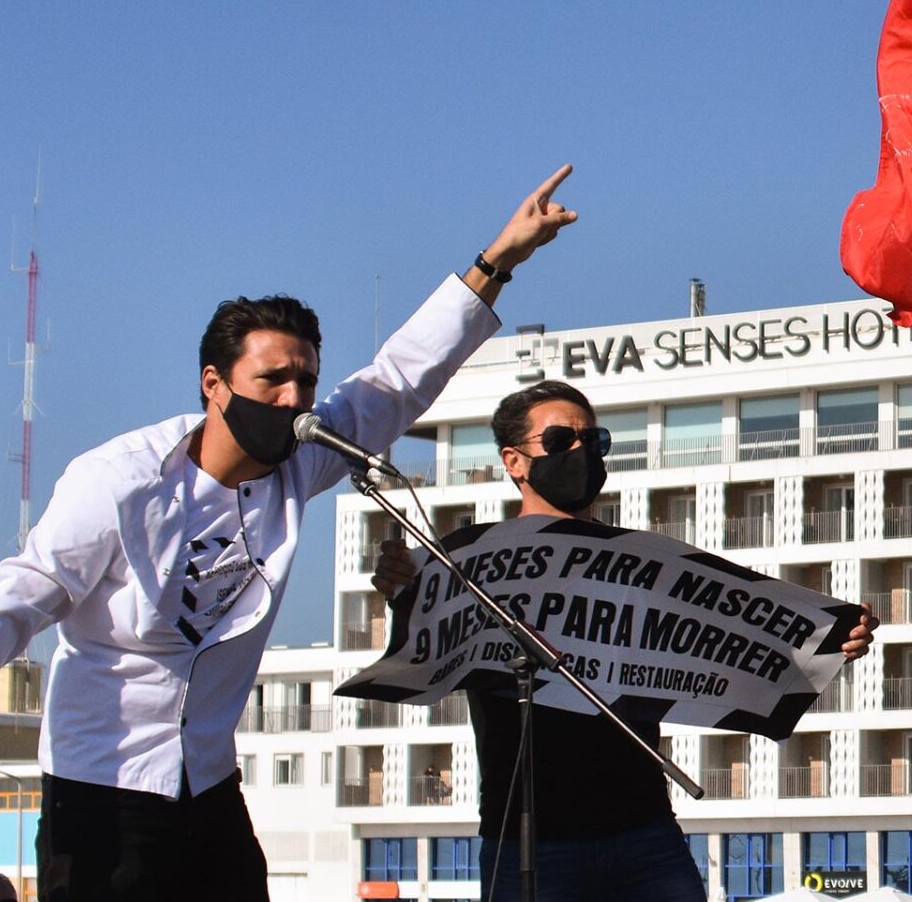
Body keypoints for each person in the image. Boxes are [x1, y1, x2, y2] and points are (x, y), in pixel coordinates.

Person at [0, 166, 581, 902]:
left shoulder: (300, 461)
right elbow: (13, 602)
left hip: (209, 784)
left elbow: (399, 379)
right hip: (102, 788)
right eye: (273, 380)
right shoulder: (120, 481)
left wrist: (498, 261)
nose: (294, 398)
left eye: (306, 381)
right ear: (215, 384)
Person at [373, 378, 881, 902]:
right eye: (559, 441)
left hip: (644, 833)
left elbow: (728, 626)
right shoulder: (473, 565)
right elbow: (430, 642)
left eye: (593, 440)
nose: (580, 452)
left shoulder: (640, 564)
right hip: (530, 840)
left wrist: (824, 634)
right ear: (514, 461)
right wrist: (405, 590)